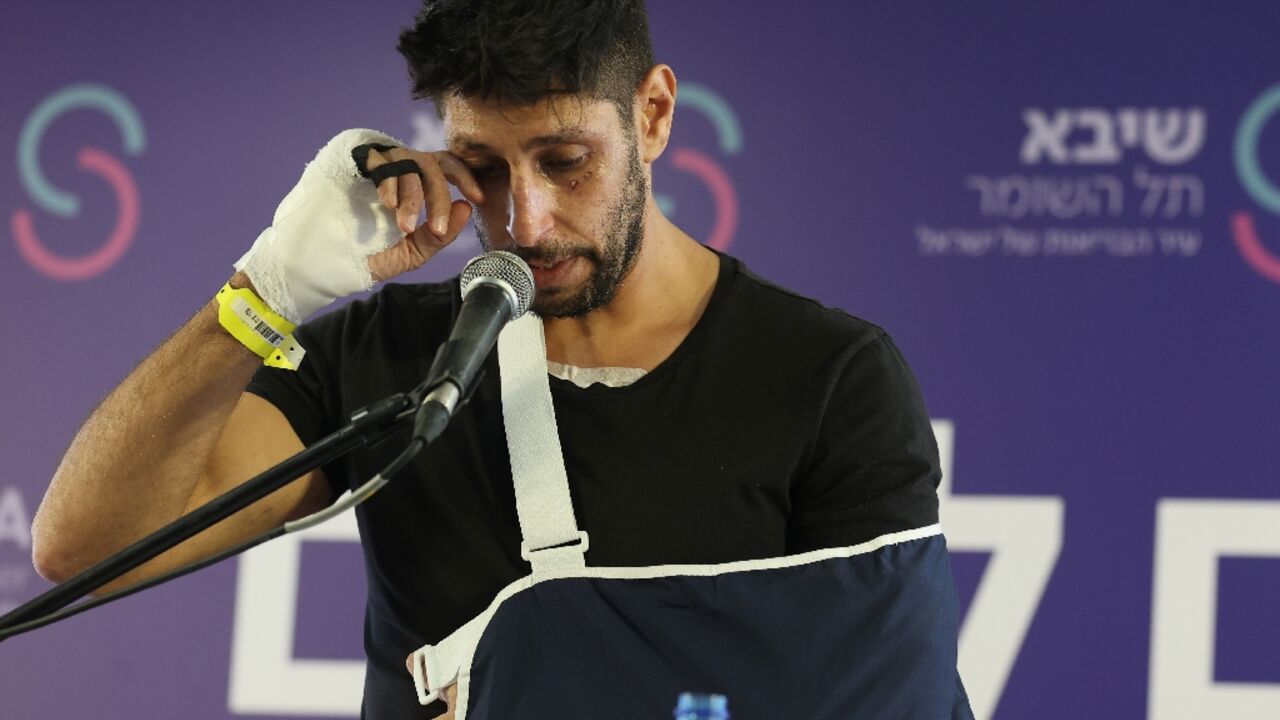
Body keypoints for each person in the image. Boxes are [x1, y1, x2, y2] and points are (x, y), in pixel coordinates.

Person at [31, 1, 961, 718]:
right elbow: (82, 550)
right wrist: (262, 290)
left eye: (566, 161)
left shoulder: (830, 379)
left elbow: (884, 700)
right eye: (481, 167)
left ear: (654, 115)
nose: (525, 221)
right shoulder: (388, 355)